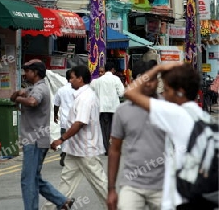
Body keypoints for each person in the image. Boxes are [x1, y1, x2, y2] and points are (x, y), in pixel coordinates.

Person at [124, 62, 216, 210]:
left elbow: (130, 92)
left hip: (179, 200)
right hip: (200, 199)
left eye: (166, 89)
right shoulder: (204, 117)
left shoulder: (175, 114)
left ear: (179, 92)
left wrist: (157, 68)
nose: (164, 95)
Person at [10, 59, 75, 210]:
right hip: (35, 140)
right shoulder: (33, 88)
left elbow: (32, 102)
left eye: (28, 71)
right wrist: (18, 94)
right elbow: (13, 98)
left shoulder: (39, 89)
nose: (25, 74)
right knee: (34, 178)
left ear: (36, 73)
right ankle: (62, 201)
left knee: (28, 180)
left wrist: (19, 97)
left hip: (35, 141)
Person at [43, 65, 108, 210]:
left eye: (72, 78)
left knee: (100, 182)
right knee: (66, 182)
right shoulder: (79, 95)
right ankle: (49, 208)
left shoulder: (86, 98)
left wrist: (61, 139)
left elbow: (79, 123)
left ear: (80, 79)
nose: (69, 81)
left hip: (86, 148)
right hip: (75, 148)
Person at [107, 60, 165, 210]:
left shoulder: (167, 108)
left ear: (157, 81)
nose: (147, 84)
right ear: (134, 81)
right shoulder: (123, 111)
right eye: (143, 80)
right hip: (132, 184)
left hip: (163, 185)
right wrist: (111, 189)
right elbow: (114, 150)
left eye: (151, 79)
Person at [91, 61, 125, 154]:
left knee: (105, 130)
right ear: (113, 70)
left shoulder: (98, 81)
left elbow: (95, 94)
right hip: (114, 108)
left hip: (103, 108)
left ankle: (107, 149)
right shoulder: (116, 79)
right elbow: (122, 93)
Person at [54, 69, 75, 167]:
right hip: (76, 119)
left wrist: (55, 115)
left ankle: (64, 151)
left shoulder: (61, 90)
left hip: (64, 119)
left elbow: (56, 104)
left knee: (64, 136)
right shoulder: (78, 89)